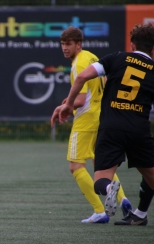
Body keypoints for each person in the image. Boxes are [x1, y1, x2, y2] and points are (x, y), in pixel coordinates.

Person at [51, 23, 154, 225]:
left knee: (91, 172)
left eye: (68, 43)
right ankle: (133, 208)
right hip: (138, 129)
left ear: (132, 45)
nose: (64, 47)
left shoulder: (116, 58)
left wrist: (68, 105)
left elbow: (84, 80)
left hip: (108, 124)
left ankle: (103, 204)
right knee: (149, 176)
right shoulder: (91, 55)